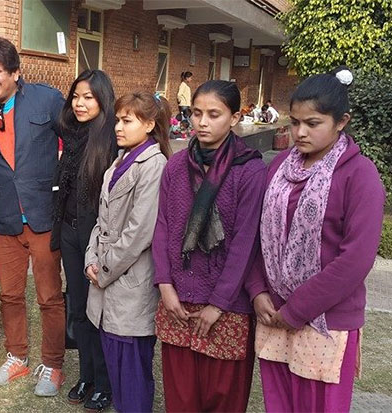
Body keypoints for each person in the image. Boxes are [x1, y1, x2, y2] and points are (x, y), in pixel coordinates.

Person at [246, 67, 385, 412]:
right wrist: (258, 290)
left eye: (313, 123)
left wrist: (297, 310)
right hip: (273, 313)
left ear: (341, 122)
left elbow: (355, 260)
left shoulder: (359, 175)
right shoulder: (279, 166)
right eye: (295, 122)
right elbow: (258, 234)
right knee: (279, 404)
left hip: (327, 320)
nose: (300, 132)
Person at [153, 80, 266, 412]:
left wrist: (218, 304)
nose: (202, 122)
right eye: (196, 113)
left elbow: (246, 243)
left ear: (234, 118)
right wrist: (165, 285)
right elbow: (162, 227)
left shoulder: (250, 170)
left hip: (228, 306)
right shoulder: (176, 166)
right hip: (178, 300)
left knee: (223, 399)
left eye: (214, 114)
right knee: (181, 398)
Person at [0, 36, 67, 396]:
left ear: (14, 72)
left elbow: (74, 143)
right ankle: (17, 357)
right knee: (10, 294)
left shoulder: (47, 100)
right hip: (6, 218)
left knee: (49, 296)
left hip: (43, 215)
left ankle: (53, 365)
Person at [84, 91, 171, 412]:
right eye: (118, 120)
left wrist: (104, 271)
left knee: (132, 371)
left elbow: (139, 233)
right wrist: (91, 259)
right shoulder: (119, 160)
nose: (118, 127)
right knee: (116, 370)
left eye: (127, 121)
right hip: (107, 280)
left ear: (149, 125)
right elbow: (101, 220)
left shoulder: (154, 165)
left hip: (131, 283)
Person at [49, 69, 116, 409]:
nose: (80, 103)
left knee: (99, 311)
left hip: (99, 237)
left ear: (103, 99)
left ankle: (105, 381)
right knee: (78, 308)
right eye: (76, 96)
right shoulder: (70, 134)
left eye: (88, 97)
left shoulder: (113, 138)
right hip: (70, 231)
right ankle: (87, 375)